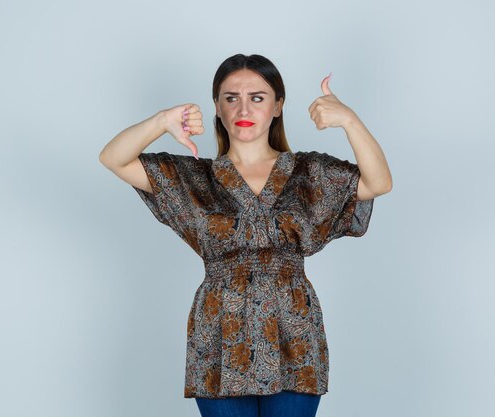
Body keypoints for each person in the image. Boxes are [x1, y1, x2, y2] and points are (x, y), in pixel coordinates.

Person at [99, 54, 392, 417]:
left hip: (293, 331)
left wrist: (349, 119)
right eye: (230, 97)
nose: (243, 107)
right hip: (221, 332)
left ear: (278, 106)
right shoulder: (194, 179)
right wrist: (162, 121)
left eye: (257, 97)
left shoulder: (308, 172)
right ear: (217, 109)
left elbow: (378, 182)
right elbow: (114, 158)